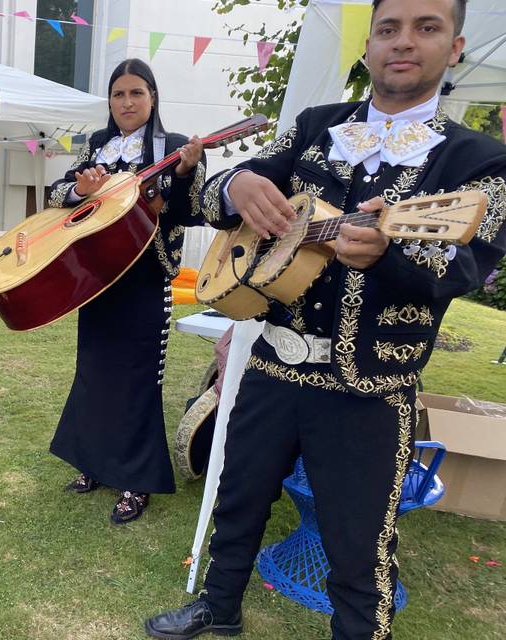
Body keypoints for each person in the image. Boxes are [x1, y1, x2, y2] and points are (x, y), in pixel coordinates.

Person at [145, 0, 506, 638]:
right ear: (368, 47)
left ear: (454, 48)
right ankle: (219, 607)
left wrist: (391, 258)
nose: (403, 42)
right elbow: (211, 195)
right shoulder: (316, 125)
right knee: (239, 499)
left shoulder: (479, 159)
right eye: (388, 28)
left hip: (369, 384)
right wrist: (234, 189)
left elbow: (470, 267)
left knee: (360, 537)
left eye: (427, 28)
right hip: (272, 359)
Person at [46, 58, 206, 524]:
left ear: (152, 97)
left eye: (136, 93)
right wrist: (82, 191)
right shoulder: (98, 145)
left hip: (145, 276)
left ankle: (136, 480)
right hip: (96, 279)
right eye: (119, 94)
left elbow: (194, 212)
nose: (127, 102)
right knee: (94, 371)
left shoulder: (176, 149)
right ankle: (93, 464)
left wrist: (182, 175)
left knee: (136, 379)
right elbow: (59, 193)